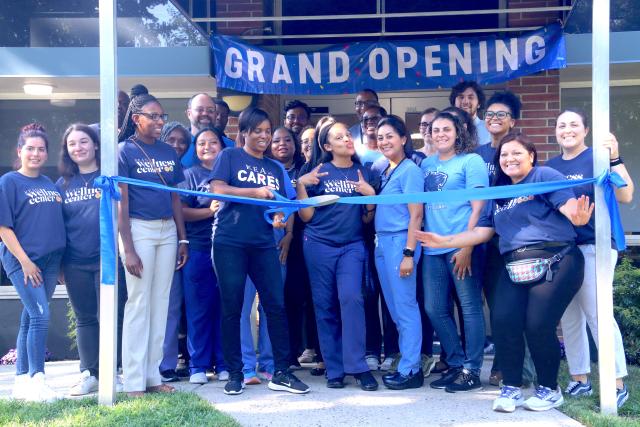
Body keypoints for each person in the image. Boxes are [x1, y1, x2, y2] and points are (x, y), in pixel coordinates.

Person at [416, 132, 593, 413]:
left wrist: (577, 215)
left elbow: (568, 206)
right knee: (503, 321)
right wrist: (444, 241)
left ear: (531, 156)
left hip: (557, 259)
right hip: (515, 264)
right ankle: (511, 388)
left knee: (537, 324)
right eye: (504, 155)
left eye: (516, 153)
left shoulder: (543, 175)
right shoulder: (497, 192)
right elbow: (482, 232)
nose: (509, 159)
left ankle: (549, 389)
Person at [209, 107, 310, 395]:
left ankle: (281, 372)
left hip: (264, 242)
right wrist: (253, 192)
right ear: (243, 133)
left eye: (268, 131)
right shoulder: (229, 156)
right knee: (232, 307)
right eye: (258, 131)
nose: (264, 136)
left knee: (275, 306)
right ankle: (235, 374)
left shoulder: (274, 168)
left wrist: (279, 217)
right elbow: (217, 189)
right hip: (229, 240)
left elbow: (283, 205)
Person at [547, 109, 634, 408]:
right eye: (561, 125)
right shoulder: (551, 166)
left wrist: (615, 157)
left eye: (574, 124)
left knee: (598, 314)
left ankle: (617, 383)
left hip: (596, 245)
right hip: (564, 251)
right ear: (555, 132)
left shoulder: (597, 157)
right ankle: (579, 379)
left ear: (585, 130)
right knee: (569, 316)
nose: (567, 129)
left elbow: (626, 196)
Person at [296, 117, 378, 391]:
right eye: (340, 137)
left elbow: (366, 220)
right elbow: (306, 217)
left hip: (351, 246)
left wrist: (370, 198)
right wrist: (301, 186)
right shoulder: (319, 171)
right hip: (318, 245)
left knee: (351, 298)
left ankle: (358, 366)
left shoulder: (362, 171)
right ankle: (334, 369)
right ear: (327, 145)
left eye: (347, 135)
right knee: (325, 305)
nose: (347, 139)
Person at [117, 93, 188, 397]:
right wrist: (128, 247)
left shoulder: (168, 152)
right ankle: (133, 381)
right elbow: (122, 202)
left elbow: (175, 197)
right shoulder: (124, 152)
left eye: (162, 116)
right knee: (139, 303)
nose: (160, 122)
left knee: (161, 303)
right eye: (153, 116)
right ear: (136, 119)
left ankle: (152, 376)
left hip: (167, 230)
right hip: (138, 229)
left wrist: (182, 237)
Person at [421, 112, 488, 393]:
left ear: (458, 132)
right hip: (433, 250)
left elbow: (479, 206)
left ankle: (472, 370)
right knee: (434, 308)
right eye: (435, 130)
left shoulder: (471, 161)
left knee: (470, 308)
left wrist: (467, 245)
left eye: (446, 129)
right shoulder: (425, 164)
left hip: (461, 246)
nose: (440, 134)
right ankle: (457, 363)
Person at [0, 124, 65, 402]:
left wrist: (60, 264)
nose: (36, 153)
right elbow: (4, 228)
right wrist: (25, 261)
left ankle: (22, 383)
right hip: (24, 261)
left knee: (30, 318)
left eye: (41, 149)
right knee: (40, 316)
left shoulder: (49, 183)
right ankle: (38, 379)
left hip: (51, 262)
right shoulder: (9, 182)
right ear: (19, 151)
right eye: (30, 148)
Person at [474, 90, 524, 387]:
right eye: (489, 114)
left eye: (500, 115)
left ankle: (507, 366)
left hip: (507, 240)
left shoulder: (518, 151)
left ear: (512, 121)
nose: (493, 119)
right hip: (478, 237)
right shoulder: (477, 155)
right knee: (476, 304)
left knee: (504, 308)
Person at [372, 115, 424, 390]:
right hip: (382, 245)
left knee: (405, 307)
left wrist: (408, 252)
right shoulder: (387, 171)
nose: (384, 141)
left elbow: (416, 215)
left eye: (390, 135)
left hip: (400, 245)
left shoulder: (410, 171)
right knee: (394, 310)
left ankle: (412, 369)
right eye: (380, 138)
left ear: (404, 139)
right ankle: (408, 362)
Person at [56, 124, 106, 396]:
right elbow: (58, 227)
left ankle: (112, 371)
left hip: (106, 260)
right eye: (72, 144)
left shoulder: (108, 176)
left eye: (84, 142)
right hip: (75, 262)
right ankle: (89, 373)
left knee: (109, 316)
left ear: (95, 145)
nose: (78, 148)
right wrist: (62, 264)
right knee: (85, 318)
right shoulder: (62, 184)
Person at [178, 126, 226, 385]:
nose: (207, 147)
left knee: (224, 308)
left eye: (213, 142)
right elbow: (182, 212)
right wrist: (209, 211)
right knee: (198, 309)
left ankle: (224, 363)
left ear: (222, 146)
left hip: (228, 250)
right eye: (201, 143)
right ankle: (198, 365)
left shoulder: (229, 175)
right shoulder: (189, 175)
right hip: (198, 249)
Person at [157, 121, 199, 382]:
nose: (177, 145)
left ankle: (167, 364)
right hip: (148, 237)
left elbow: (181, 210)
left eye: (182, 141)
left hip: (178, 242)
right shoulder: (147, 168)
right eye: (171, 139)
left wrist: (183, 241)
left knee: (173, 305)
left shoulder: (184, 174)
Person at [183, 93, 234, 167]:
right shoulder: (178, 145)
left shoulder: (230, 146)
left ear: (215, 115)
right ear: (189, 114)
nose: (205, 113)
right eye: (199, 110)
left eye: (210, 110)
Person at [449, 81, 490, 145]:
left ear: (479, 103)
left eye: (470, 97)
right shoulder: (445, 129)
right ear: (454, 102)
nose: (465, 102)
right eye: (461, 97)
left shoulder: (489, 128)